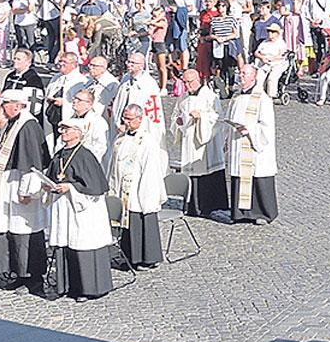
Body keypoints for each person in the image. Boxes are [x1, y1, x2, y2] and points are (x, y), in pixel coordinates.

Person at [0, 89, 49, 293]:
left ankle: (32, 278)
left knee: (25, 233)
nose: (3, 108)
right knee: (11, 231)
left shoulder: (28, 126)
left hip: (21, 187)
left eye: (5, 104)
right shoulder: (13, 122)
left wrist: (27, 190)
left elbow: (32, 162)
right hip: (9, 183)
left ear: (17, 105)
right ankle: (17, 275)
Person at [44, 115, 113, 300]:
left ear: (78, 133)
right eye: (61, 129)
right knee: (66, 244)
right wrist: (48, 186)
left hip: (83, 210)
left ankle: (87, 288)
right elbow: (55, 176)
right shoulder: (60, 153)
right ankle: (67, 285)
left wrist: (70, 187)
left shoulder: (85, 155)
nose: (63, 132)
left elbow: (94, 187)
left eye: (67, 129)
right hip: (64, 207)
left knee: (82, 245)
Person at [108, 104, 167, 269]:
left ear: (140, 119)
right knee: (126, 225)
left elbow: (150, 170)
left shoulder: (147, 142)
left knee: (140, 221)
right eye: (124, 118)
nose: (125, 122)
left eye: (129, 119)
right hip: (123, 186)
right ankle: (128, 256)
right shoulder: (121, 138)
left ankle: (146, 258)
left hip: (139, 188)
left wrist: (146, 195)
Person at [223, 65, 278, 224]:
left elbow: (267, 126)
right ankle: (240, 213)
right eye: (240, 73)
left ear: (253, 77)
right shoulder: (236, 97)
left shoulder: (262, 98)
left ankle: (262, 213)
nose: (241, 76)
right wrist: (227, 138)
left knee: (257, 179)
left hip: (254, 146)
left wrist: (250, 130)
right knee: (239, 177)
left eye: (244, 74)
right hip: (238, 143)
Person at [170, 68, 226, 217]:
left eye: (189, 82)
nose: (187, 86)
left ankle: (208, 206)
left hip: (205, 143)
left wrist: (201, 117)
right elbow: (175, 116)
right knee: (191, 171)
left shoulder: (209, 96)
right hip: (189, 139)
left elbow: (218, 117)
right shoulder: (182, 98)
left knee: (205, 173)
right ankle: (193, 206)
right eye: (184, 82)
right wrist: (178, 122)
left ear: (197, 80)